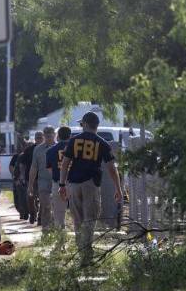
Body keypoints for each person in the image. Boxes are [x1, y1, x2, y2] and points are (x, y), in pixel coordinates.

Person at [59, 111, 123, 266]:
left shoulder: (73, 140)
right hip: (91, 184)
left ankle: (81, 252)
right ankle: (86, 254)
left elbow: (65, 164)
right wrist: (118, 188)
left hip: (74, 184)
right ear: (96, 125)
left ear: (86, 124)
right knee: (90, 219)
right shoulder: (102, 143)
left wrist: (62, 185)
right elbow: (111, 168)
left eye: (82, 124)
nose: (81, 126)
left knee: (78, 220)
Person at [28, 126, 57, 231]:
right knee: (45, 205)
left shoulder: (59, 147)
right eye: (46, 136)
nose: (49, 138)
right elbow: (34, 167)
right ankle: (45, 229)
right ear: (44, 136)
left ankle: (55, 228)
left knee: (56, 207)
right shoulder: (38, 149)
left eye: (50, 135)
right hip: (43, 181)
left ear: (55, 135)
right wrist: (30, 185)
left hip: (56, 180)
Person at [46, 126, 71, 230]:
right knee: (78, 212)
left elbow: (50, 169)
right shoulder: (75, 147)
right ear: (70, 136)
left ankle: (61, 236)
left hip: (58, 183)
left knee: (59, 214)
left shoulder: (51, 150)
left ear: (58, 136)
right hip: (75, 182)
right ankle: (81, 236)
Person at [21, 132, 43, 224]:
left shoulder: (47, 149)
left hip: (42, 178)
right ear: (35, 138)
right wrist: (22, 176)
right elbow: (22, 164)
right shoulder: (29, 150)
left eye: (40, 137)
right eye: (37, 138)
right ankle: (33, 214)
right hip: (30, 178)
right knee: (30, 198)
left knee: (43, 198)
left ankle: (41, 217)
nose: (39, 139)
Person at [10, 140, 29, 220]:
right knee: (19, 198)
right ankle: (22, 212)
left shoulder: (30, 155)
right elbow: (12, 167)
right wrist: (15, 177)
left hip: (28, 180)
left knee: (27, 197)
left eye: (26, 145)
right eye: (23, 145)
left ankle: (28, 212)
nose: (24, 147)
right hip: (19, 179)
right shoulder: (17, 156)